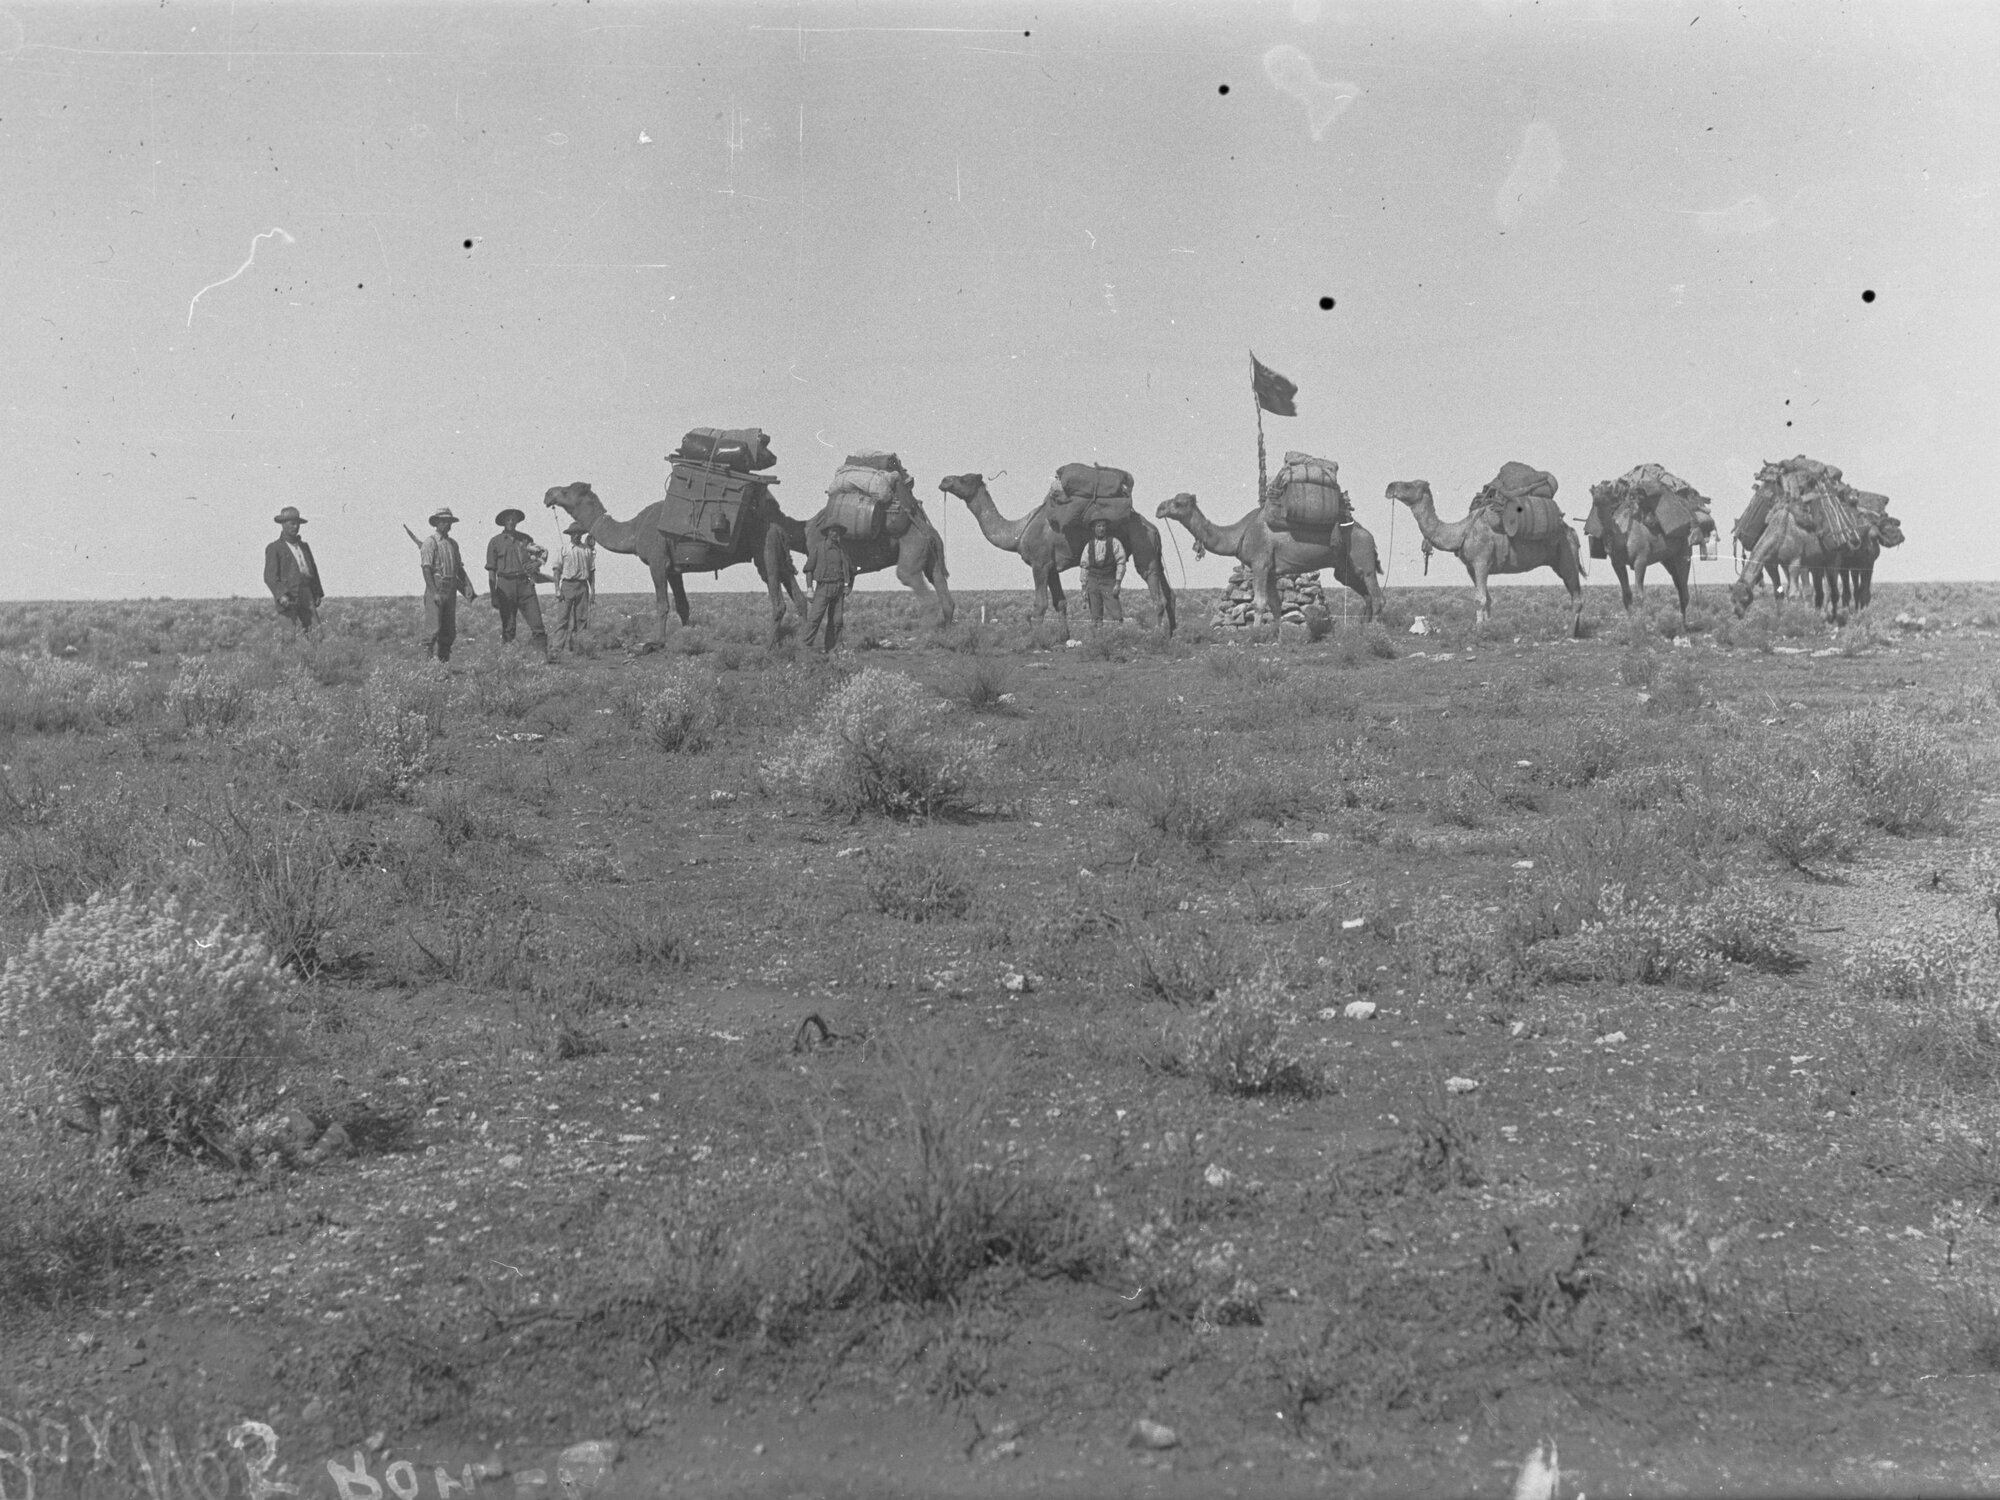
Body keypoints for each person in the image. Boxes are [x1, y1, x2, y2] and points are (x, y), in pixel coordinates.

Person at [486, 508, 553, 662]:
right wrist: (494, 595)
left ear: (517, 521)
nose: (511, 522)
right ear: (503, 522)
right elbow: (491, 571)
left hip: (525, 584)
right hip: (505, 585)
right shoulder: (495, 542)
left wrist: (536, 564)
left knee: (538, 625)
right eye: (508, 520)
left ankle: (541, 660)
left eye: (513, 519)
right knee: (509, 627)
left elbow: (541, 553)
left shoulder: (526, 539)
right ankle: (508, 661)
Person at [419, 507, 476, 662]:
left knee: (448, 630)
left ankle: (443, 664)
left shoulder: (453, 544)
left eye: (449, 522)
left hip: (451, 588)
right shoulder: (429, 543)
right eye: (444, 521)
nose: (447, 525)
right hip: (436, 586)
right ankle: (427, 667)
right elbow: (426, 569)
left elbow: (459, 568)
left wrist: (468, 586)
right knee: (433, 627)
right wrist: (434, 592)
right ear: (436, 522)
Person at [263, 506, 324, 633]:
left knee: (316, 633)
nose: (295, 527)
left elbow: (313, 570)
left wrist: (317, 592)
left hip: (306, 593)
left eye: (297, 524)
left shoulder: (304, 546)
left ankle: (314, 654)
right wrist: (282, 595)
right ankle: (289, 654)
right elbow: (270, 576)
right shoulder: (275, 548)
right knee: (289, 635)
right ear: (283, 525)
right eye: (292, 524)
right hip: (288, 595)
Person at [805, 520, 857, 654]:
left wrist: (849, 586)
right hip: (823, 588)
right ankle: (804, 648)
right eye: (833, 531)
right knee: (814, 619)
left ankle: (833, 650)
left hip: (839, 589)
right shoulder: (818, 548)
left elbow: (852, 570)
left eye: (837, 531)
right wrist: (810, 589)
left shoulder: (842, 551)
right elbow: (809, 569)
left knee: (837, 621)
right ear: (827, 533)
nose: (835, 534)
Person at [552, 517, 597, 654]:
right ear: (570, 535)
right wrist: (557, 589)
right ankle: (556, 649)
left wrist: (593, 590)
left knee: (582, 619)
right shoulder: (563, 549)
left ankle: (579, 648)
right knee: (563, 618)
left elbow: (591, 571)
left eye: (579, 533)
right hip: (567, 586)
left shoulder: (587, 550)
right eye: (574, 533)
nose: (577, 535)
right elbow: (556, 569)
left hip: (582, 586)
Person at [1080, 518, 1127, 628]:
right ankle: (1098, 640)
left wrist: (1118, 583)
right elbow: (1084, 566)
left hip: (1109, 580)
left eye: (1103, 526)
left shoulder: (1114, 542)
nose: (1101, 529)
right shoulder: (1089, 545)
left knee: (1116, 613)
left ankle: (1119, 637)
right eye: (1098, 526)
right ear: (1094, 528)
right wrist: (1084, 588)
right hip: (1093, 581)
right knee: (1095, 615)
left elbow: (1121, 562)